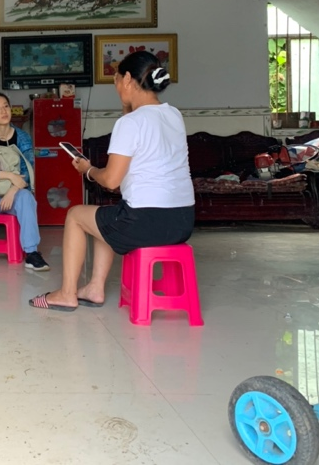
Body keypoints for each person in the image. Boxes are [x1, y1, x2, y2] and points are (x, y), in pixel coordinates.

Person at [29, 51, 195, 311]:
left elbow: (111, 180)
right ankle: (94, 288)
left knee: (75, 215)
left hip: (146, 222)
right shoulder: (174, 115)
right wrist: (129, 109)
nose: (117, 88)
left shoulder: (130, 123)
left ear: (127, 79)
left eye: (117, 81)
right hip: (182, 221)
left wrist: (88, 170)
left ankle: (67, 293)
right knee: (104, 217)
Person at [0, 93, 49, 272]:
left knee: (26, 197)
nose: (3, 111)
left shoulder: (22, 137)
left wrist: (12, 191)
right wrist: (10, 176)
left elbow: (28, 170)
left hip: (14, 195)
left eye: (6, 106)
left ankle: (32, 253)